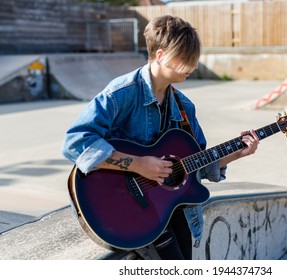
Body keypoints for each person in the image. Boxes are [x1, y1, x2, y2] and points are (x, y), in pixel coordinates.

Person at [61, 15, 259, 260]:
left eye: (194, 58)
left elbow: (198, 166)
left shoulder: (184, 107)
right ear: (161, 54)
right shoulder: (121, 94)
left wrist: (236, 154)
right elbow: (75, 143)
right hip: (122, 207)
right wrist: (139, 165)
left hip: (171, 209)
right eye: (185, 58)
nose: (192, 66)